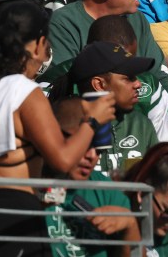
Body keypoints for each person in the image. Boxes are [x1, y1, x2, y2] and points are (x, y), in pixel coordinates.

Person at [0, 1, 118, 257]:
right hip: (14, 222)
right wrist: (93, 121)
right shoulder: (25, 92)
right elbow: (63, 160)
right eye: (47, 45)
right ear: (37, 45)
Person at [38, 98, 142, 254]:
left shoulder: (108, 193)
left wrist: (130, 226)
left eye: (100, 149)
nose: (92, 156)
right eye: (85, 144)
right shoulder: (23, 180)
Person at [67, 41, 160, 174]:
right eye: (129, 78)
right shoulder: (65, 125)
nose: (138, 84)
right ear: (99, 85)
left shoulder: (141, 124)